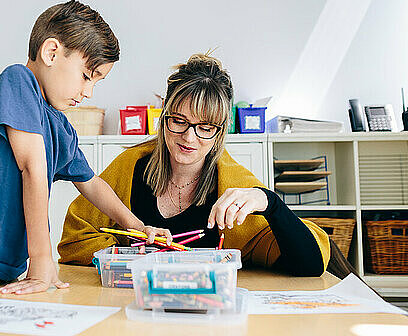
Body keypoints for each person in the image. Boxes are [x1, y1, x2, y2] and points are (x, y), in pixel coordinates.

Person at [0, 0, 173, 309]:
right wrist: (42, 259)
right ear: (51, 52)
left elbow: (92, 184)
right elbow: (32, 167)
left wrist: (138, 227)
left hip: (4, 270)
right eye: (86, 75)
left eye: (97, 81)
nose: (89, 92)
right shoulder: (18, 80)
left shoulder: (61, 127)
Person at [58, 53, 331, 276]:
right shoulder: (130, 165)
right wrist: (130, 254)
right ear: (163, 115)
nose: (188, 138)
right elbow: (73, 241)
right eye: (178, 121)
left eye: (204, 127)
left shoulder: (233, 182)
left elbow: (310, 264)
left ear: (219, 132)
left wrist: (269, 202)